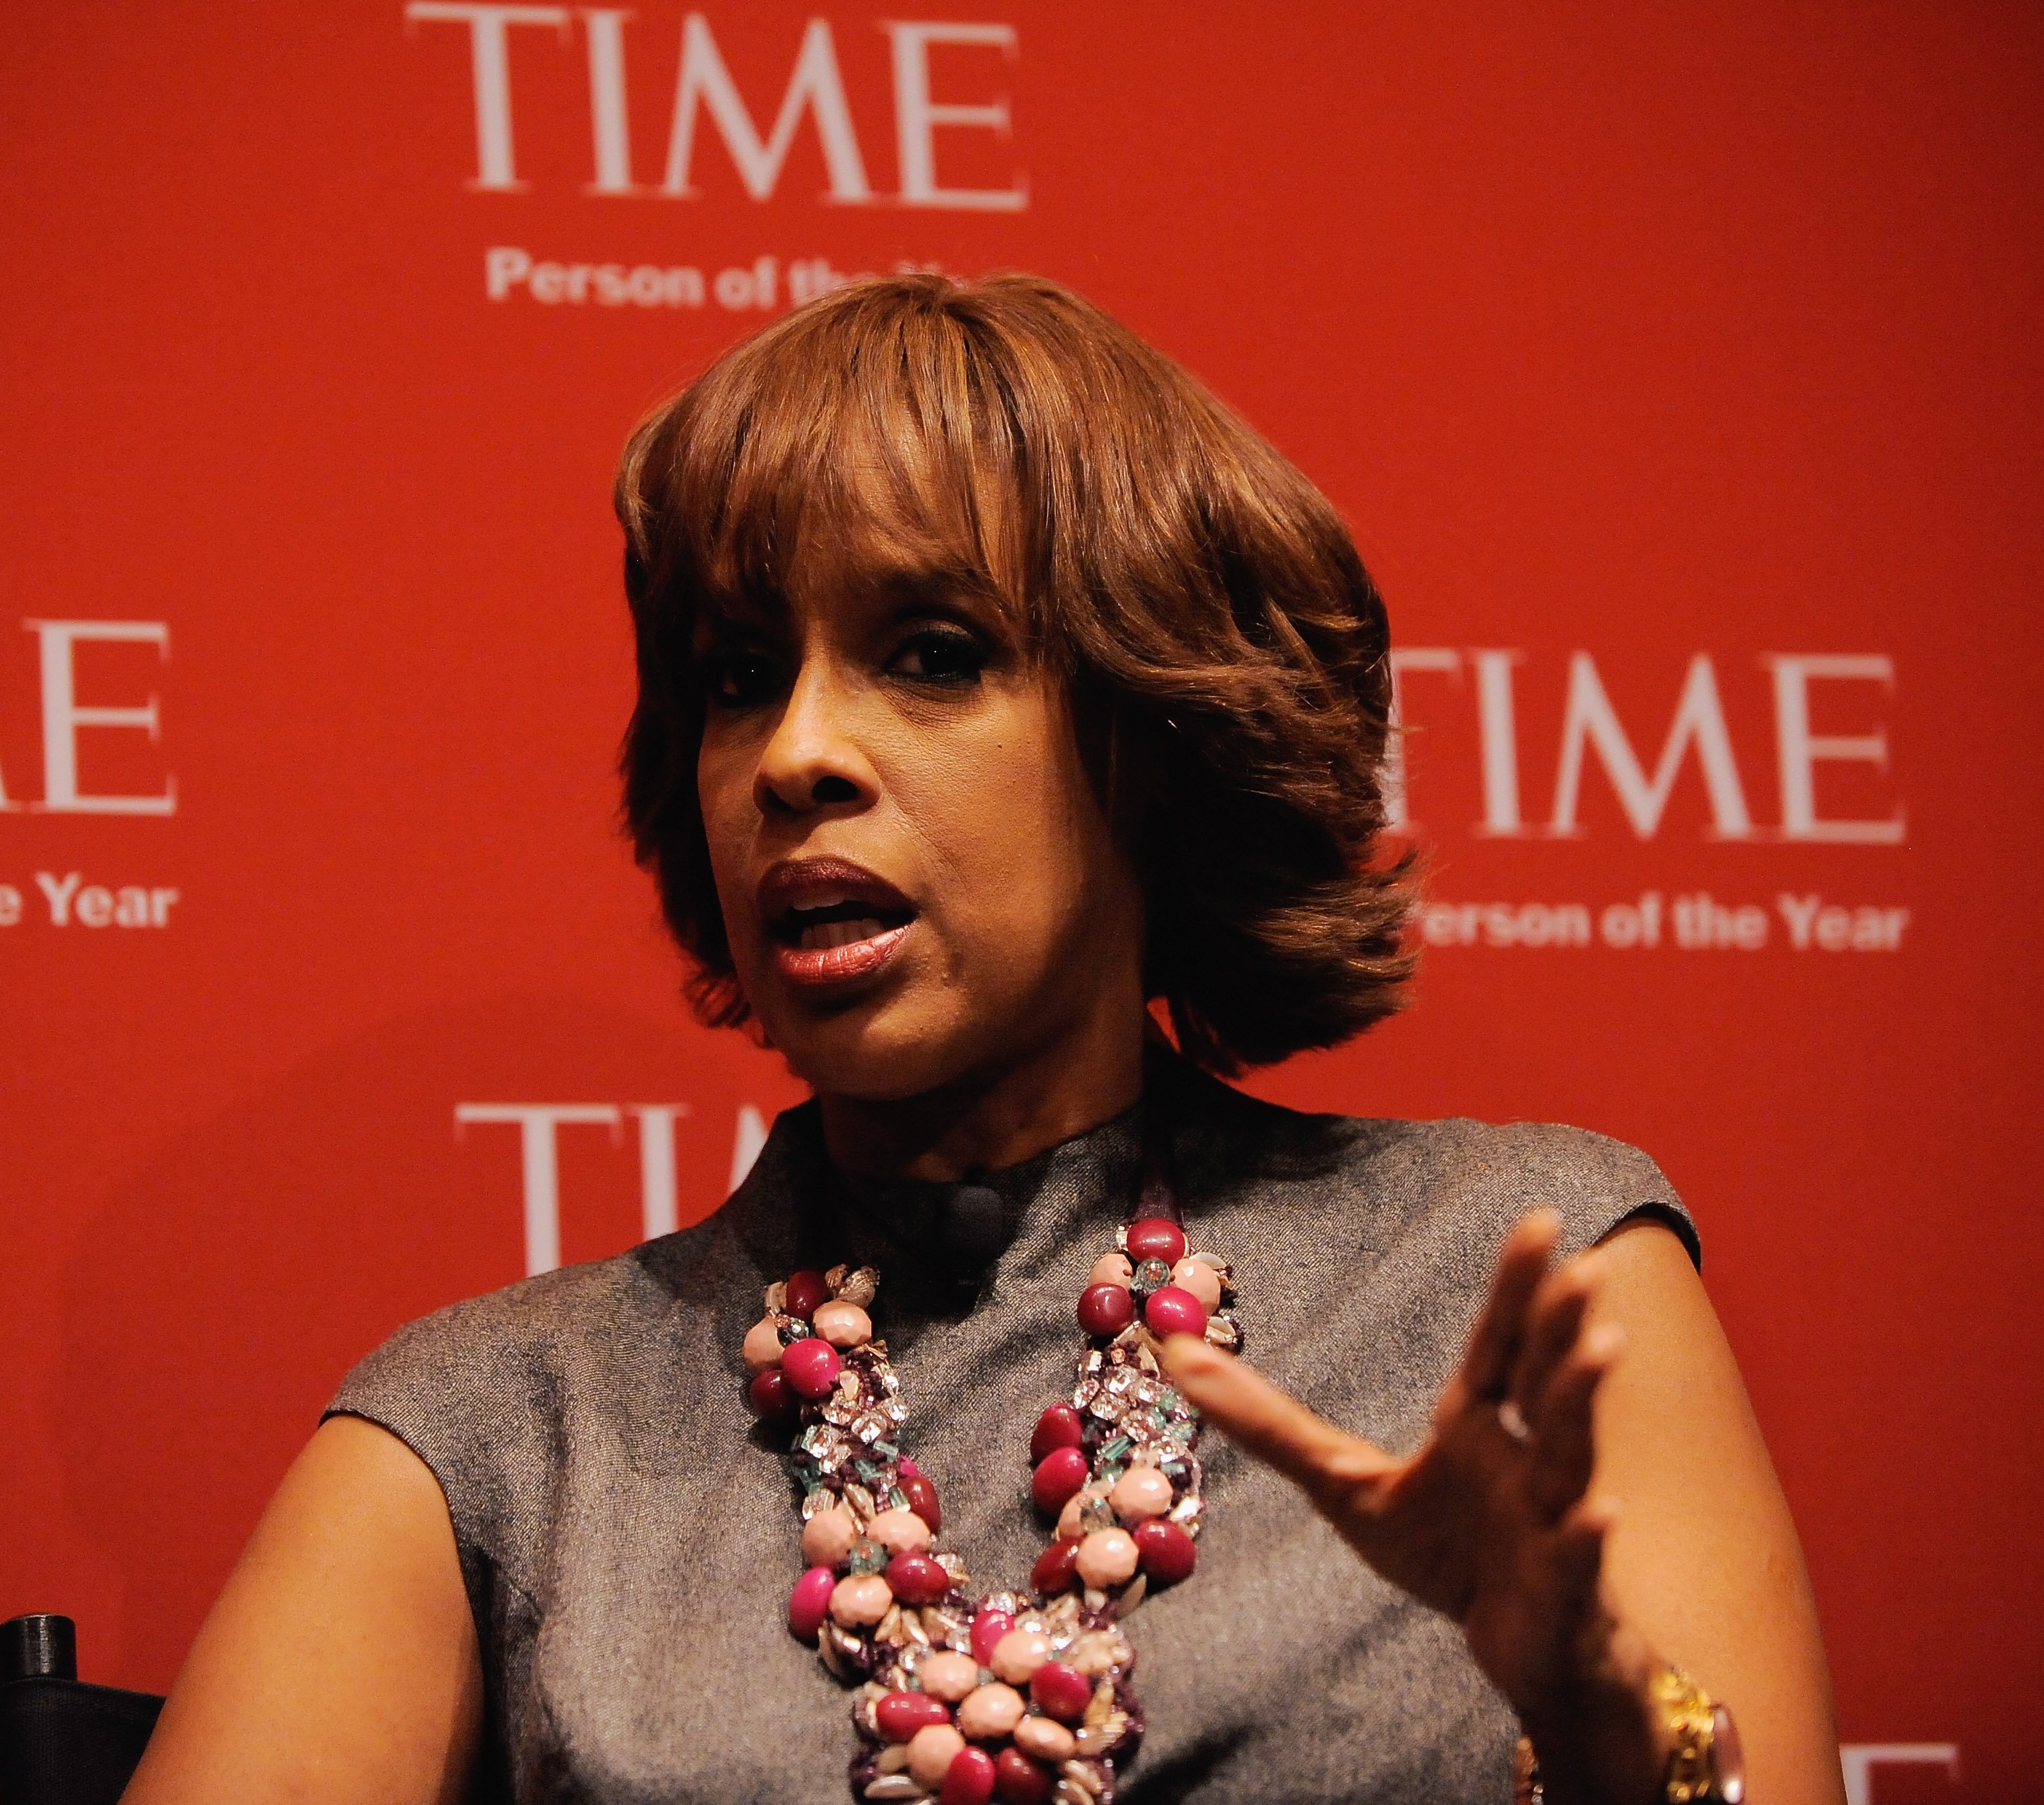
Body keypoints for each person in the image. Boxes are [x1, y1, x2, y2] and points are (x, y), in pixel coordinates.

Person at [120, 273, 1841, 1804]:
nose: (796, 751)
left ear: (1150, 731)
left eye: (930, 654)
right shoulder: (494, 1434)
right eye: (736, 675)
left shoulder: (1516, 1279)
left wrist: (1611, 1732)